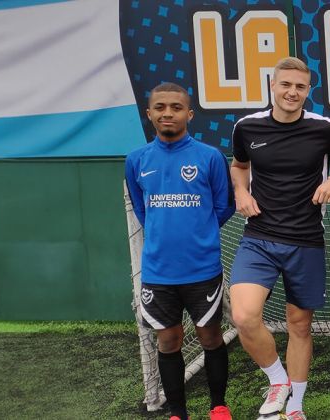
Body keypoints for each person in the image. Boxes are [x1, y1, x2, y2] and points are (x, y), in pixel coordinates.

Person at [228, 57, 330, 420]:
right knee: (243, 315)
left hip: (306, 239)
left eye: (300, 87)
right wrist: (241, 192)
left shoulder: (324, 128)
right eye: (286, 84)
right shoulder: (247, 127)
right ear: (273, 86)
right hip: (259, 237)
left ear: (307, 90)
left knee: (299, 325)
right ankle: (277, 380)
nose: (292, 92)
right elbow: (239, 166)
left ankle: (296, 407)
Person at [124, 82, 236, 420]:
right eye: (160, 107)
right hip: (158, 272)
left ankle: (218, 406)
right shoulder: (136, 161)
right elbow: (143, 212)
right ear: (149, 114)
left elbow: (224, 206)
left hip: (202, 269)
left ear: (189, 113)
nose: (167, 113)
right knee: (169, 340)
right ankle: (178, 412)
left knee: (211, 335)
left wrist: (197, 233)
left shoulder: (210, 157)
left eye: (175, 107)